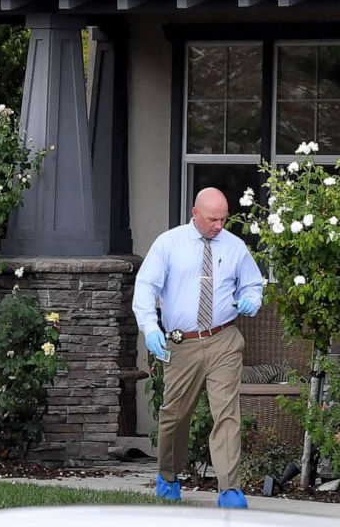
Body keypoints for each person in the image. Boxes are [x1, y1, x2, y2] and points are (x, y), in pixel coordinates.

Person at [132, 187, 263, 508]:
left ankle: (229, 489)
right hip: (183, 343)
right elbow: (146, 287)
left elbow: (253, 283)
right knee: (175, 415)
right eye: (213, 219)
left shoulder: (235, 247)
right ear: (195, 213)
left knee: (227, 414)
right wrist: (150, 328)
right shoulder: (169, 243)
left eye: (224, 218)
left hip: (224, 339)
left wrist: (252, 300)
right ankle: (168, 476)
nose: (219, 225)